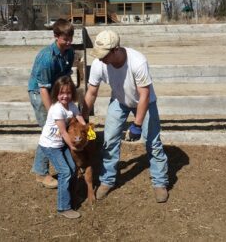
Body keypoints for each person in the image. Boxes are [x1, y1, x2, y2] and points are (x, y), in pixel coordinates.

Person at [83, 30, 169, 203]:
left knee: (153, 142)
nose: (100, 59)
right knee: (109, 140)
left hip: (145, 102)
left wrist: (137, 125)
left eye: (104, 55)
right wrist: (83, 118)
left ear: (115, 50)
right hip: (119, 101)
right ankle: (107, 180)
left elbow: (144, 95)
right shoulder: (100, 64)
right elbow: (91, 92)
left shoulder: (137, 62)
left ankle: (160, 182)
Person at [28, 19, 75, 189]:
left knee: (58, 127)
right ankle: (41, 173)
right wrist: (51, 113)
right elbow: (43, 89)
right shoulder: (46, 58)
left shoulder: (69, 52)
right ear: (56, 36)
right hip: (40, 93)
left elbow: (66, 77)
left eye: (71, 38)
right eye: (65, 39)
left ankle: (66, 163)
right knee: (50, 130)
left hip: (57, 91)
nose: (69, 42)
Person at [35, 75, 86, 219]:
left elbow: (80, 117)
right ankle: (63, 207)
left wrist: (88, 131)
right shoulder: (57, 109)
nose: (65, 96)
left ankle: (70, 196)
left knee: (73, 168)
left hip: (61, 144)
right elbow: (63, 132)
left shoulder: (71, 105)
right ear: (56, 93)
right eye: (61, 93)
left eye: (68, 93)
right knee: (65, 172)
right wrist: (73, 147)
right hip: (50, 145)